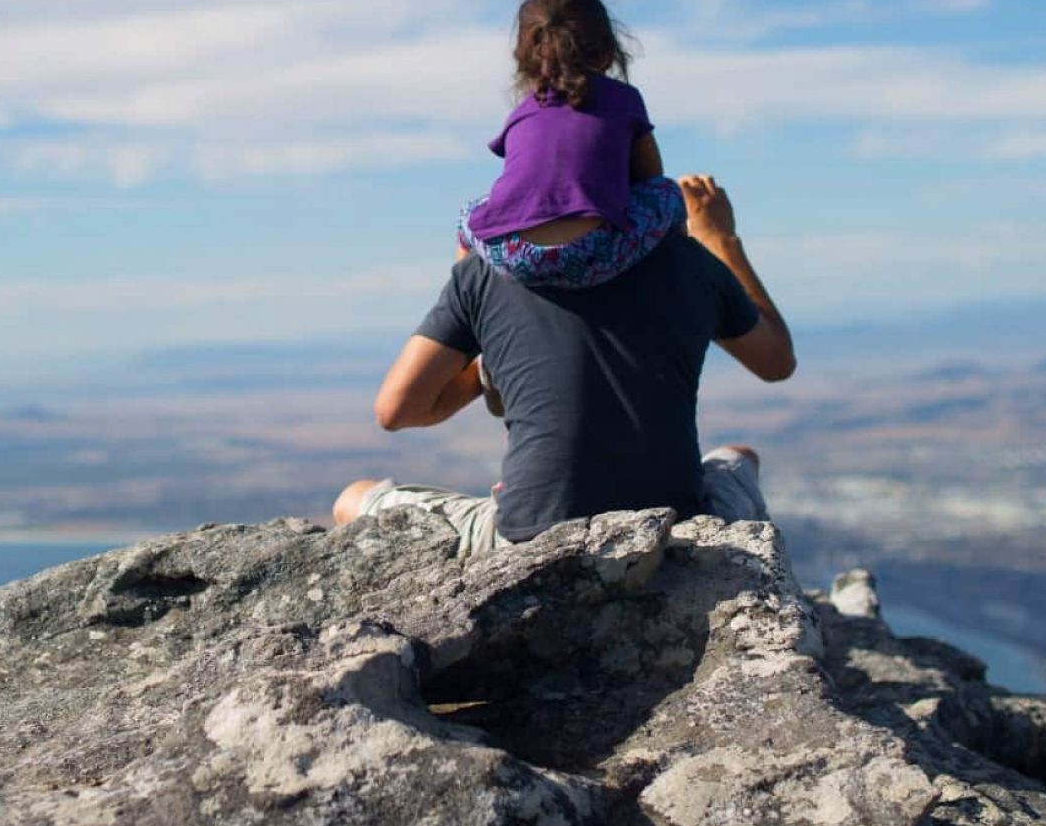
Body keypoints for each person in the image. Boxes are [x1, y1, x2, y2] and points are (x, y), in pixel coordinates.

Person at [334, 174, 794, 558]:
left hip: (528, 538)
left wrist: (485, 356)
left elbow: (397, 410)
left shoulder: (485, 271)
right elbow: (776, 362)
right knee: (741, 458)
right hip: (672, 530)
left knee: (352, 500)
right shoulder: (690, 261)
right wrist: (719, 239)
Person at [457, 0, 684, 291]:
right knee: (668, 193)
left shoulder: (521, 113)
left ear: (523, 58)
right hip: (594, 253)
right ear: (607, 51)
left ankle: (464, 294)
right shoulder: (624, 98)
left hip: (513, 255)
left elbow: (526, 187)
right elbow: (651, 177)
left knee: (469, 213)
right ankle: (680, 273)